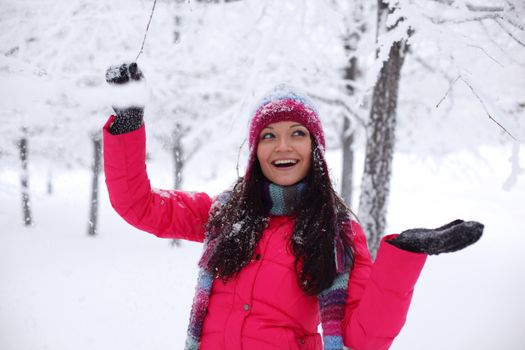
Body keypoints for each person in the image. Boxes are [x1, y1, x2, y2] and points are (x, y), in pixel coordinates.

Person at [102, 63, 483, 350]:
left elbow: (363, 336)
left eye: (297, 134)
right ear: (256, 152)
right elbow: (139, 205)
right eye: (269, 136)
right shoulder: (224, 213)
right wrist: (127, 124)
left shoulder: (338, 233)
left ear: (314, 149)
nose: (282, 146)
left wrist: (403, 257)